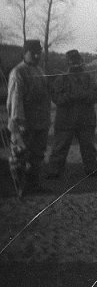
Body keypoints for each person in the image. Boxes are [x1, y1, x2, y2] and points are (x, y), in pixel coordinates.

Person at [47, 49, 97, 179]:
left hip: (86, 120)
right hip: (65, 120)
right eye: (72, 62)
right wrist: (70, 97)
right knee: (60, 147)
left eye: (77, 61)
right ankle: (54, 172)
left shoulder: (88, 77)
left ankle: (92, 170)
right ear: (67, 63)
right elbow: (56, 98)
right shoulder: (61, 79)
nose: (75, 64)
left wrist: (86, 96)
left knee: (88, 147)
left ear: (81, 62)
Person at [6, 40, 51, 196]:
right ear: (24, 53)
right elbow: (15, 100)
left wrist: (46, 120)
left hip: (40, 123)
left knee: (37, 157)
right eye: (33, 52)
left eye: (39, 52)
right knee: (19, 157)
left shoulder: (40, 70)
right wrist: (18, 125)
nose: (37, 55)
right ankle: (20, 189)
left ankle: (34, 185)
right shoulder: (18, 72)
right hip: (24, 124)